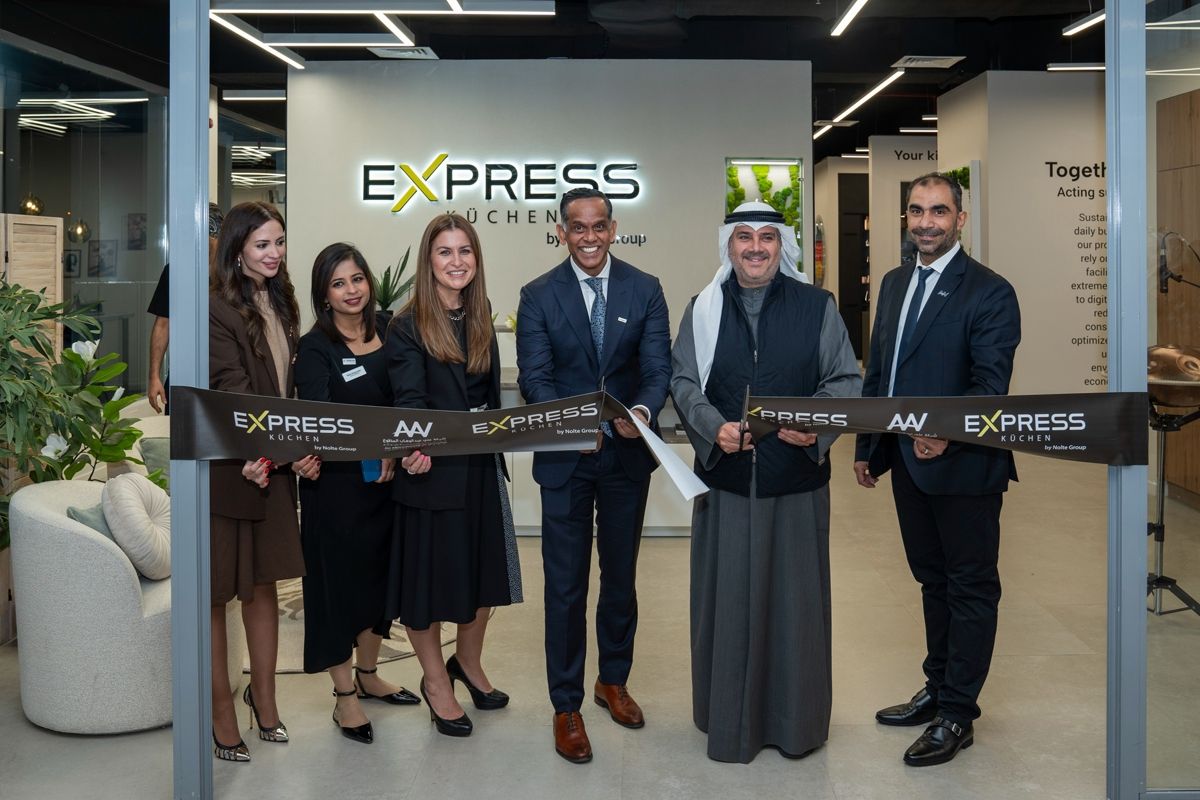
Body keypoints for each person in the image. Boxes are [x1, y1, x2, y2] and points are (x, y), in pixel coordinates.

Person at [670, 200, 862, 763]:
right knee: (727, 605)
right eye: (744, 237)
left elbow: (844, 380)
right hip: (726, 484)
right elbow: (683, 381)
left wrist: (815, 425)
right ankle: (726, 718)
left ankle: (794, 723)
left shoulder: (818, 306)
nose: (756, 248)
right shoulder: (702, 309)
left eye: (767, 238)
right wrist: (713, 427)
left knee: (794, 609)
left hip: (795, 484)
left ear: (782, 246)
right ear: (728, 245)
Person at [854, 172, 1021, 767]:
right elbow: (881, 371)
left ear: (960, 219)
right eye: (917, 210)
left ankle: (957, 713)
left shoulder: (990, 291)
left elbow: (989, 386)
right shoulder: (896, 282)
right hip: (906, 462)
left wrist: (945, 432)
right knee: (932, 581)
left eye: (939, 211)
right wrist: (868, 447)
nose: (926, 222)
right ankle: (938, 686)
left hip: (965, 466)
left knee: (970, 586)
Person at [516, 187, 671, 763]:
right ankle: (566, 705)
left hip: (627, 457)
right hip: (567, 461)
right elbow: (535, 378)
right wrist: (574, 426)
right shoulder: (538, 295)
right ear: (562, 232)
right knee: (565, 586)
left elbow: (658, 367)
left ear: (613, 229)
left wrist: (643, 412)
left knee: (621, 577)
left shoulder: (645, 288)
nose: (589, 237)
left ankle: (613, 681)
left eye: (598, 226)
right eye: (577, 227)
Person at [384, 213, 522, 739]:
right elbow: (409, 400)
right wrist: (413, 448)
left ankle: (468, 662)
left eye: (465, 251)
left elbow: (490, 400)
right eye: (445, 252)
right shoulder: (406, 325)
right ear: (429, 260)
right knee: (427, 588)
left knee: (483, 577)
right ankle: (436, 681)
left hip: (481, 470)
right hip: (431, 472)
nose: (456, 261)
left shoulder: (480, 315)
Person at [294, 243, 420, 746]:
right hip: (336, 491)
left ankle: (369, 675)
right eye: (338, 283)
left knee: (379, 584)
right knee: (337, 592)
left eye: (357, 279)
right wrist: (375, 446)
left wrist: (393, 448)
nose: (352, 291)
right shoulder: (315, 347)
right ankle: (344, 695)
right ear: (324, 295)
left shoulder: (392, 330)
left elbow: (409, 397)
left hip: (388, 489)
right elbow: (320, 421)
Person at [208, 201, 318, 763]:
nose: (275, 254)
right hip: (233, 464)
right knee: (217, 592)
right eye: (262, 245)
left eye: (279, 242)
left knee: (264, 583)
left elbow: (285, 390)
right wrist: (269, 450)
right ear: (237, 251)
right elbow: (231, 390)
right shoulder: (215, 307)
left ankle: (265, 701)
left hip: (272, 465)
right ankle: (221, 713)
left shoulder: (282, 300)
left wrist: (297, 449)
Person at [146, 202, 223, 413]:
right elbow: (163, 325)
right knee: (179, 429)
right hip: (184, 372)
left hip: (226, 373)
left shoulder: (235, 274)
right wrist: (154, 376)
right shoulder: (175, 271)